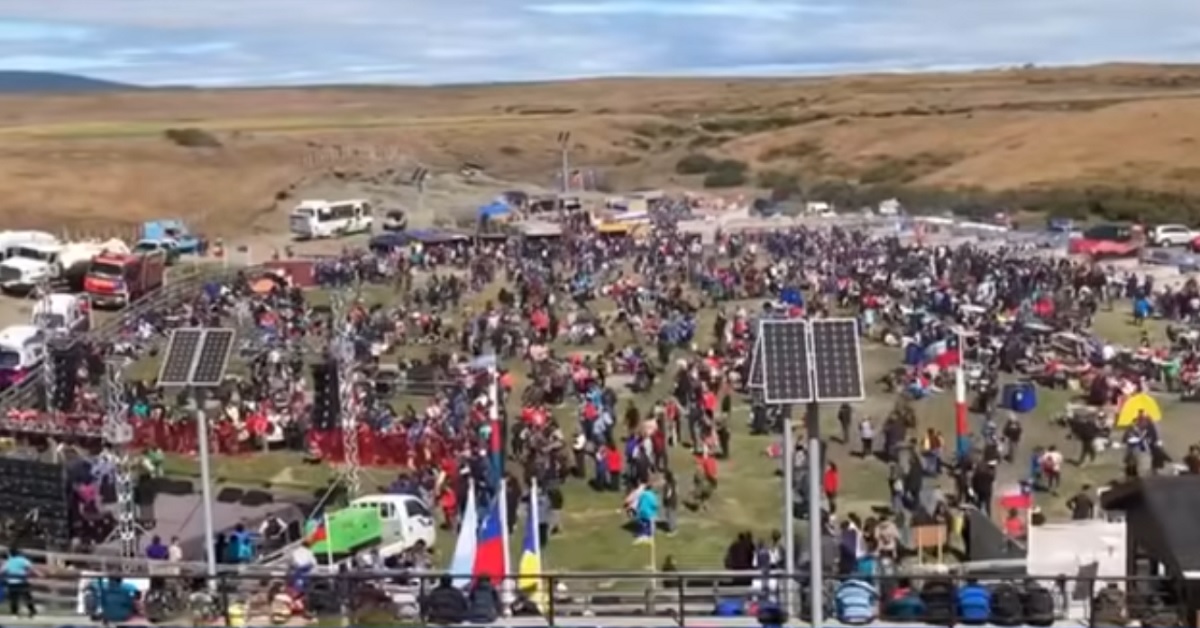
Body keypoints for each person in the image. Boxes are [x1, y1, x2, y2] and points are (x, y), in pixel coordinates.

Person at [3, 548, 37, 618]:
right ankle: (32, 611)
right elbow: (31, 568)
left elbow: (2, 571)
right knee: (27, 597)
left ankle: (14, 613)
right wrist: (39, 574)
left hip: (11, 582)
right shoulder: (23, 560)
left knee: (13, 598)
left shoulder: (9, 561)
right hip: (22, 581)